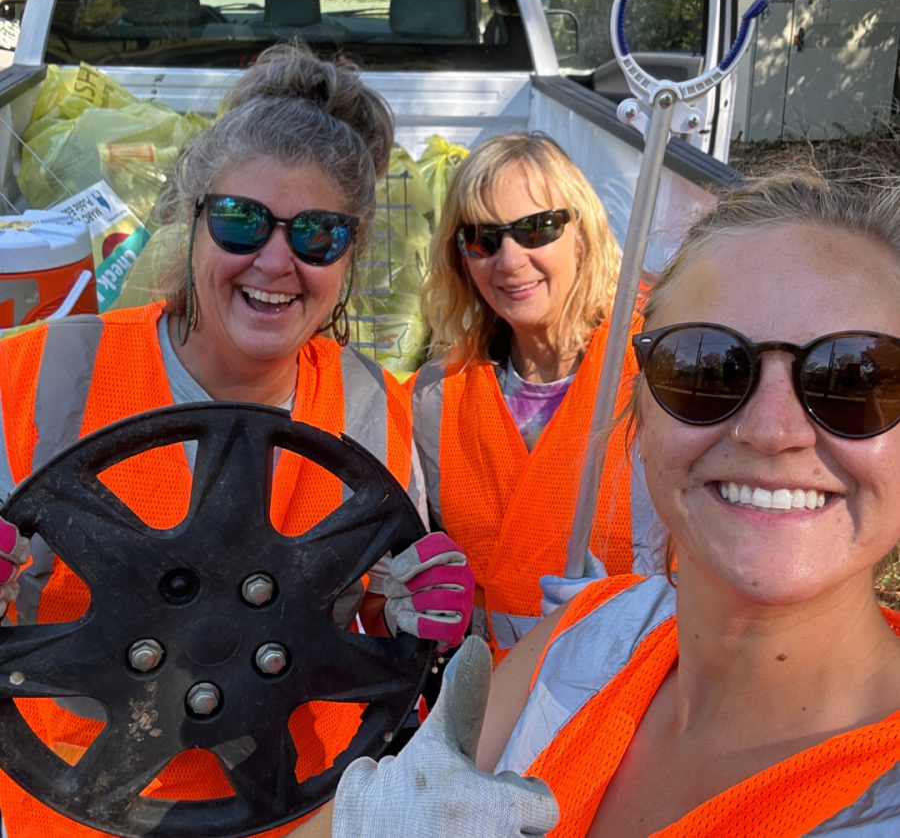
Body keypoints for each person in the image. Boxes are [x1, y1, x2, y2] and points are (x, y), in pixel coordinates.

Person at [311, 170, 900, 838]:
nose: (771, 430)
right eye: (704, 369)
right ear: (640, 413)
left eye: (857, 378)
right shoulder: (590, 635)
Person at [0, 43, 473, 838]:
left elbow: (372, 621)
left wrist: (409, 611)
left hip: (292, 805)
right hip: (71, 802)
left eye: (319, 235)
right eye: (241, 221)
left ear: (350, 252)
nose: (277, 260)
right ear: (190, 218)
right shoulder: (44, 371)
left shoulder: (369, 406)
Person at [410, 132, 653, 662]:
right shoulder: (435, 398)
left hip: (633, 694)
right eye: (482, 239)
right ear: (461, 260)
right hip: (492, 706)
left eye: (536, 229)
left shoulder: (654, 377)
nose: (510, 260)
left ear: (581, 237)